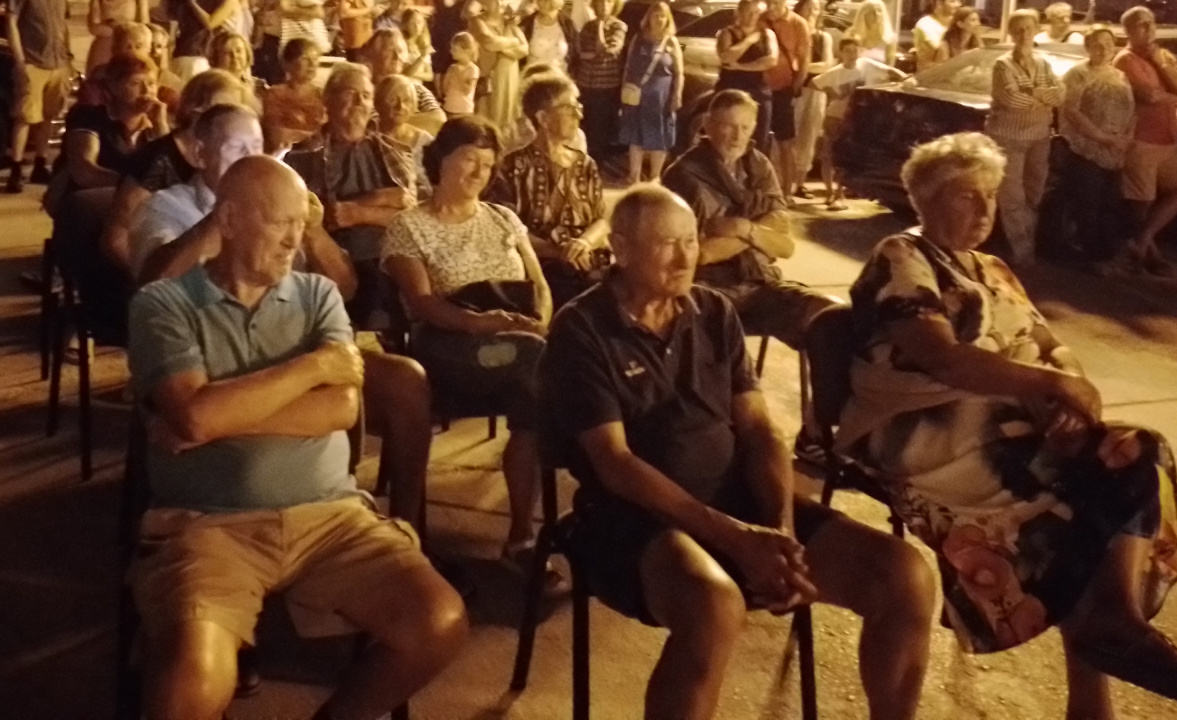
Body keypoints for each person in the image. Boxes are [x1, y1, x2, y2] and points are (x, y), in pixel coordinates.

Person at [840, 132, 1177, 713]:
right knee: (1082, 505)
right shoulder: (903, 256)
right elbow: (941, 357)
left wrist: (1067, 397)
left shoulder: (993, 268)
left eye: (991, 195)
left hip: (1011, 421)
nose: (984, 208)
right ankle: (1098, 670)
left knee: (1135, 451)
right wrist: (1048, 387)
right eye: (966, 195)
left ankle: (1115, 621)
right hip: (928, 430)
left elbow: (1049, 346)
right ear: (926, 200)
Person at [541, 185, 936, 720]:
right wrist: (735, 538)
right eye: (665, 244)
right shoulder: (582, 328)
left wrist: (780, 531)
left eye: (690, 240)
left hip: (734, 497)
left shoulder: (712, 311)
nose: (685, 258)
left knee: (904, 574)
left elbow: (757, 428)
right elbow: (615, 464)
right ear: (621, 248)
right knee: (713, 607)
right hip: (631, 516)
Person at [126, 156, 467, 720]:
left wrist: (213, 413)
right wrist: (312, 368)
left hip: (330, 517)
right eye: (279, 222)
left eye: (300, 222)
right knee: (190, 684)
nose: (294, 239)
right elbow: (198, 417)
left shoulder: (317, 296)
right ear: (229, 220)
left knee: (439, 621)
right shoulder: (164, 304)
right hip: (209, 525)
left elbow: (341, 406)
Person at [382, 116, 552, 563]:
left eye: (488, 164)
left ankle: (522, 533)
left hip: (517, 345)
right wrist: (483, 324)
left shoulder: (503, 218)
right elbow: (421, 303)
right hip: (451, 345)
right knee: (540, 364)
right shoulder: (409, 226)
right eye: (470, 160)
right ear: (441, 159)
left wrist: (538, 321)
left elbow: (538, 284)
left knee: (537, 381)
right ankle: (532, 534)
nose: (480, 172)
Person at [662, 89, 835, 348]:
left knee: (832, 317)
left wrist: (743, 228)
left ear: (754, 127)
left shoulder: (759, 166)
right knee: (709, 336)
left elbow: (785, 246)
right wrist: (762, 232)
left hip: (762, 284)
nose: (737, 137)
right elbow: (702, 254)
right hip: (708, 289)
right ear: (708, 125)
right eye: (728, 126)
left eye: (745, 127)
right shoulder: (684, 175)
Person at [286, 64, 415, 333]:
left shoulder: (389, 152)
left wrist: (356, 211)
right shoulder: (302, 156)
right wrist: (384, 200)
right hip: (334, 261)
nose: (359, 103)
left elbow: (411, 213)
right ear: (328, 99)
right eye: (350, 94)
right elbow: (322, 216)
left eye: (366, 96)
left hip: (391, 257)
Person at [102, 69, 254, 278]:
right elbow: (116, 238)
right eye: (222, 111)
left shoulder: (235, 157)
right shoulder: (157, 159)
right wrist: (152, 282)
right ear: (194, 110)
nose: (233, 121)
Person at [489, 74, 609, 307]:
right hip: (542, 265)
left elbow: (601, 220)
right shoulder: (512, 167)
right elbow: (506, 229)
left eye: (578, 107)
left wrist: (584, 242)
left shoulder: (585, 164)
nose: (578, 115)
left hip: (588, 259)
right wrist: (560, 252)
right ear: (543, 118)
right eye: (569, 108)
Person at [129, 104, 266, 282]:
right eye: (235, 147)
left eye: (257, 146)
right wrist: (226, 213)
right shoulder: (163, 207)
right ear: (200, 154)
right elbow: (159, 281)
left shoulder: (271, 206)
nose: (251, 158)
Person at [1113, 7, 1177, 275]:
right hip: (1142, 138)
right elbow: (1149, 96)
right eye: (1141, 25)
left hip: (1169, 139)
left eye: (1151, 24)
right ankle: (1147, 255)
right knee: (1141, 201)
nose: (1148, 30)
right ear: (1128, 30)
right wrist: (1173, 97)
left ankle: (1141, 242)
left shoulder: (1163, 56)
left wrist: (1160, 63)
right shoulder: (1125, 60)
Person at [984, 8, 1065, 267]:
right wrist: (1042, 97)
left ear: (1036, 30)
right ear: (1011, 33)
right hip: (1009, 138)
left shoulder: (1043, 63)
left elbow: (1060, 94)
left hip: (1039, 136)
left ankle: (1026, 239)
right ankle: (1022, 250)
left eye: (1028, 28)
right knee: (1012, 196)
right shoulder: (1003, 65)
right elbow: (1010, 99)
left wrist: (1033, 93)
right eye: (1018, 29)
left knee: (1034, 191)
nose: (1023, 34)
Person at [1059, 25, 1136, 272]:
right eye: (1097, 45)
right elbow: (1071, 111)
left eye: (1108, 44)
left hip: (1115, 151)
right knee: (1088, 205)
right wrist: (1102, 137)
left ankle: (1108, 254)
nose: (1103, 49)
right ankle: (1092, 257)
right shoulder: (1077, 74)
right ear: (1088, 47)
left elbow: (1131, 110)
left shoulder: (1120, 76)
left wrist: (1126, 137)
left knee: (1110, 205)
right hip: (1087, 150)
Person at [4, 0, 74, 194]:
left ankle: (40, 164)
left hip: (58, 64)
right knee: (24, 118)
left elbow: (63, 26)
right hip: (33, 63)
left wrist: (68, 58)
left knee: (49, 117)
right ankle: (16, 169)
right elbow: (11, 23)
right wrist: (20, 60)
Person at [54, 53, 169, 196]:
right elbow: (84, 172)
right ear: (114, 87)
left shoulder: (155, 125)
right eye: (135, 83)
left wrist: (160, 125)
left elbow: (171, 172)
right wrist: (135, 184)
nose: (146, 91)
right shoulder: (89, 116)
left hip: (135, 197)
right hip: (86, 197)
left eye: (151, 83)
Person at [811, 37, 902, 209]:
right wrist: (831, 92)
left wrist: (903, 81)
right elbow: (814, 82)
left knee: (845, 155)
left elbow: (892, 71)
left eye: (855, 50)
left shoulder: (866, 65)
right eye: (848, 51)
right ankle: (829, 192)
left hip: (855, 115)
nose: (852, 54)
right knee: (829, 154)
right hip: (835, 115)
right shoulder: (836, 72)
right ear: (841, 53)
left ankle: (839, 193)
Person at [619, 0, 683, 184]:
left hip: (661, 98)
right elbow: (628, 66)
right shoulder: (638, 39)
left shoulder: (671, 42)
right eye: (656, 15)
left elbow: (679, 72)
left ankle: (655, 175)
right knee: (635, 135)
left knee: (659, 136)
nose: (659, 20)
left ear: (668, 19)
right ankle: (634, 175)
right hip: (637, 95)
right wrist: (624, 90)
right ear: (649, 18)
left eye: (663, 16)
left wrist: (677, 95)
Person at [760, 0, 810, 203]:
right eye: (768, 2)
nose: (771, 7)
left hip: (783, 88)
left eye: (776, 3)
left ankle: (786, 192)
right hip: (760, 88)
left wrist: (796, 85)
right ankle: (761, 190)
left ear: (786, 0)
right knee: (759, 140)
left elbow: (804, 58)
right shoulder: (760, 19)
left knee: (786, 142)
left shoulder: (798, 24)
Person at [713, 0, 777, 149]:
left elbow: (771, 60)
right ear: (739, 13)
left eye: (756, 12)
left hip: (758, 90)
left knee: (759, 137)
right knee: (727, 136)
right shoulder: (726, 33)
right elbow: (726, 57)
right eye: (748, 12)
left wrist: (741, 66)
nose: (752, 16)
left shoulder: (767, 34)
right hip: (731, 88)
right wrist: (748, 41)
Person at [572, 0, 627, 153]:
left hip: (605, 84)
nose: (604, 5)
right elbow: (580, 51)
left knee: (601, 125)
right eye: (600, 2)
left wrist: (600, 28)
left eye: (609, 2)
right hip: (586, 82)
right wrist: (592, 55)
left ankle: (600, 158)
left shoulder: (618, 26)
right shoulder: (587, 26)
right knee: (586, 122)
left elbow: (607, 51)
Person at [469, 0, 528, 137]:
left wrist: (502, 48)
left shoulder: (509, 23)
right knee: (487, 123)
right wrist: (513, 42)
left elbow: (524, 49)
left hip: (510, 81)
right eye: (495, 0)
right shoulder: (477, 21)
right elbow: (489, 42)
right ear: (485, 3)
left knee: (508, 123)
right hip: (490, 81)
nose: (500, 4)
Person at [361, 29, 446, 134]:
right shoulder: (365, 92)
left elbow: (439, 120)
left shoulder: (417, 89)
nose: (397, 57)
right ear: (373, 55)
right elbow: (373, 127)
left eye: (400, 51)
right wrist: (423, 120)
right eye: (389, 51)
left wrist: (392, 122)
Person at [790, 0, 833, 198]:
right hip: (793, 90)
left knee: (809, 137)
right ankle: (784, 181)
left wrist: (802, 68)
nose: (810, 12)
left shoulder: (823, 37)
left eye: (815, 8)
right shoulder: (793, 33)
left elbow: (827, 65)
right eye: (807, 7)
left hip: (815, 91)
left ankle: (800, 183)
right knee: (789, 135)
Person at [261, 37, 327, 151]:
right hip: (286, 153)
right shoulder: (275, 94)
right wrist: (311, 137)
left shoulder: (322, 95)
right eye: (305, 58)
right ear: (287, 64)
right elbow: (276, 133)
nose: (312, 64)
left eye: (315, 58)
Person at [86, 0, 148, 73]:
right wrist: (124, 28)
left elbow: (143, 28)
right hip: (102, 52)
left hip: (128, 52)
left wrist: (112, 26)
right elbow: (94, 28)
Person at [427, 0, 472, 85]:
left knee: (458, 62)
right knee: (439, 64)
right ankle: (439, 92)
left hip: (460, 31)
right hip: (442, 33)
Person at [521, 0, 575, 73]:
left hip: (558, 78)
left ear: (556, 0)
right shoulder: (528, 23)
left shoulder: (567, 25)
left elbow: (575, 56)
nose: (540, 3)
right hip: (533, 77)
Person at [912, 0, 961, 70]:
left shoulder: (957, 23)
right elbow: (941, 48)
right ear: (939, 4)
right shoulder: (926, 23)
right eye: (953, 1)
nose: (958, 5)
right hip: (931, 73)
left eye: (959, 1)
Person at [846, 0, 898, 66]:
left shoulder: (890, 38)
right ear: (864, 14)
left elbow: (890, 67)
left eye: (879, 11)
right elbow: (844, 64)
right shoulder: (851, 34)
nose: (876, 14)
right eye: (872, 11)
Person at [440, 32, 479, 119]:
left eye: (455, 49)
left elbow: (467, 91)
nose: (451, 51)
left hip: (464, 110)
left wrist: (458, 74)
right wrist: (448, 76)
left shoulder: (473, 69)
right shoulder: (452, 67)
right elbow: (445, 89)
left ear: (466, 51)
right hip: (449, 107)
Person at [397, 7, 433, 82]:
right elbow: (405, 74)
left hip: (418, 86)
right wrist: (422, 57)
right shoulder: (401, 44)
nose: (416, 26)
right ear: (405, 25)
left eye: (419, 22)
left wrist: (414, 73)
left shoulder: (423, 45)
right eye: (412, 23)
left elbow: (430, 75)